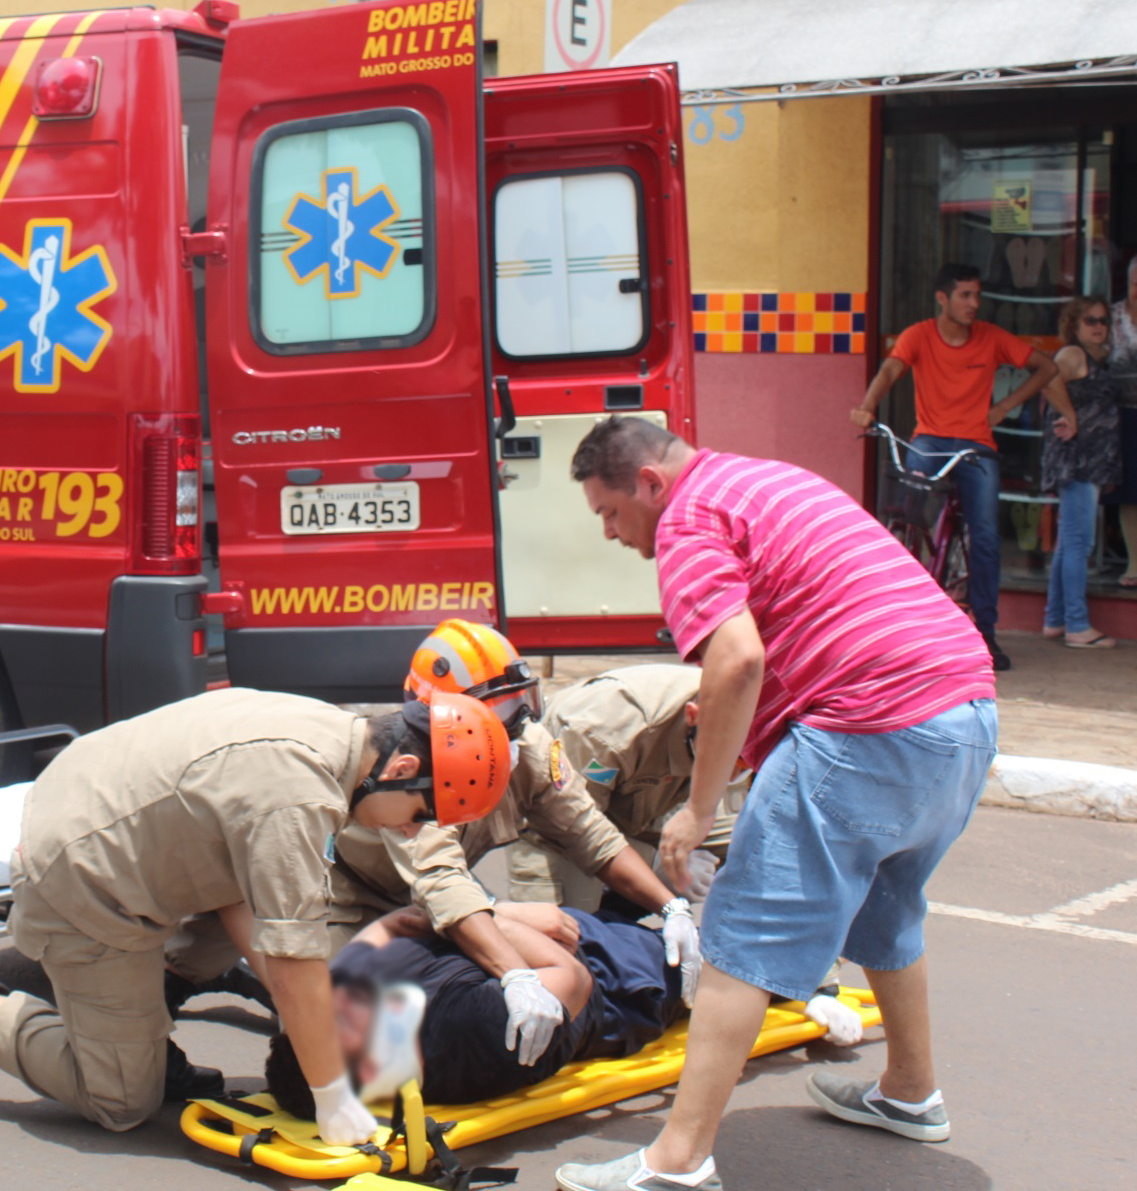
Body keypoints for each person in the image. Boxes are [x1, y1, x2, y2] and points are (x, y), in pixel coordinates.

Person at [557, 416, 995, 1191]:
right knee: (888, 907)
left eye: (611, 513)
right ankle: (909, 1090)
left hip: (869, 724)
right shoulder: (767, 479)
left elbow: (737, 660)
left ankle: (675, 1163)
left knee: (737, 938)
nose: (611, 533)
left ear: (650, 484)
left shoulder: (689, 520)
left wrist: (696, 810)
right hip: (963, 713)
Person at [0, 681, 512, 1145]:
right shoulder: (298, 797)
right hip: (82, 877)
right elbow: (291, 962)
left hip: (96, 804)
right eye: (422, 813)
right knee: (121, 1101)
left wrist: (308, 1013)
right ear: (402, 767)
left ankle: (139, 1027)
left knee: (270, 926)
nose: (412, 830)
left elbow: (255, 919)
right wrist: (333, 1098)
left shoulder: (327, 729)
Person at [324, 622, 704, 1070]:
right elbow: (439, 881)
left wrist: (671, 908)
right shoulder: (413, 768)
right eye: (498, 707)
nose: (517, 721)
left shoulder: (529, 749)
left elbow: (590, 834)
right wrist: (515, 963)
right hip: (358, 908)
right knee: (334, 1036)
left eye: (518, 701)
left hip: (438, 908)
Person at [850, 262, 1076, 670]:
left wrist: (1005, 406)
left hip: (976, 444)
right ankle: (896, 620)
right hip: (930, 440)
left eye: (977, 295)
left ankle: (986, 632)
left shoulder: (991, 338)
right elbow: (890, 370)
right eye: (966, 295)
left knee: (986, 536)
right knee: (905, 517)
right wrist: (867, 407)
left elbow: (1047, 367)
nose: (975, 303)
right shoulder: (918, 335)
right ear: (943, 299)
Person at [263, 901, 686, 1111]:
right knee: (723, 961)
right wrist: (488, 920)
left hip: (533, 930)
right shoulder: (466, 1035)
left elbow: (400, 919)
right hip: (617, 977)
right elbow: (570, 975)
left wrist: (485, 913)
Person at [509, 664, 748, 910]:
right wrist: (658, 865)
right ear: (693, 716)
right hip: (557, 826)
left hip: (645, 807)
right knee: (567, 929)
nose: (733, 774)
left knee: (761, 843)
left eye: (743, 762)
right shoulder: (603, 731)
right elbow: (573, 829)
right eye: (728, 757)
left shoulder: (756, 716)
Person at [1041, 296, 1119, 649]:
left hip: (1089, 462)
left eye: (1103, 320)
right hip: (1078, 462)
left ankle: (1056, 618)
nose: (1098, 326)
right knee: (1078, 542)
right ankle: (1077, 624)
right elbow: (1046, 378)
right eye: (1090, 320)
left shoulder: (1095, 359)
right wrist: (1070, 416)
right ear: (1074, 324)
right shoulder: (1073, 355)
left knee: (1067, 541)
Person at [1104, 257, 1137, 587]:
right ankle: (1134, 563)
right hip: (1120, 413)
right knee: (1129, 489)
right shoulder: (1111, 316)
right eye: (1136, 283)